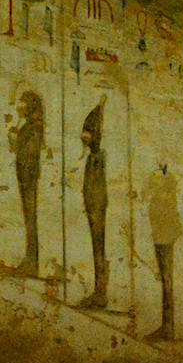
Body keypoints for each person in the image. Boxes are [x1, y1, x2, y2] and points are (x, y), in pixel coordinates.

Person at [78, 95, 109, 309]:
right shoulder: (92, 157)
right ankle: (99, 291)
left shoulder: (98, 158)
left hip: (97, 206)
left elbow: (96, 188)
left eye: (88, 132)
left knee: (99, 246)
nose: (84, 136)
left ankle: (101, 292)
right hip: (93, 205)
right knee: (97, 246)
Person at [9, 90, 44, 276]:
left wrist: (17, 139)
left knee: (30, 218)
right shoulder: (27, 126)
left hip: (28, 175)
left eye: (23, 102)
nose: (19, 106)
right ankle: (30, 260)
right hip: (24, 174)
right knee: (28, 217)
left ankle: (32, 261)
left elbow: (30, 153)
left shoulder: (33, 127)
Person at [145, 164, 181, 339]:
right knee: (165, 281)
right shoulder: (161, 199)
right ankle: (167, 324)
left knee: (167, 282)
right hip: (161, 238)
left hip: (164, 239)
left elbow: (169, 223)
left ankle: (168, 326)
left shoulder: (166, 199)